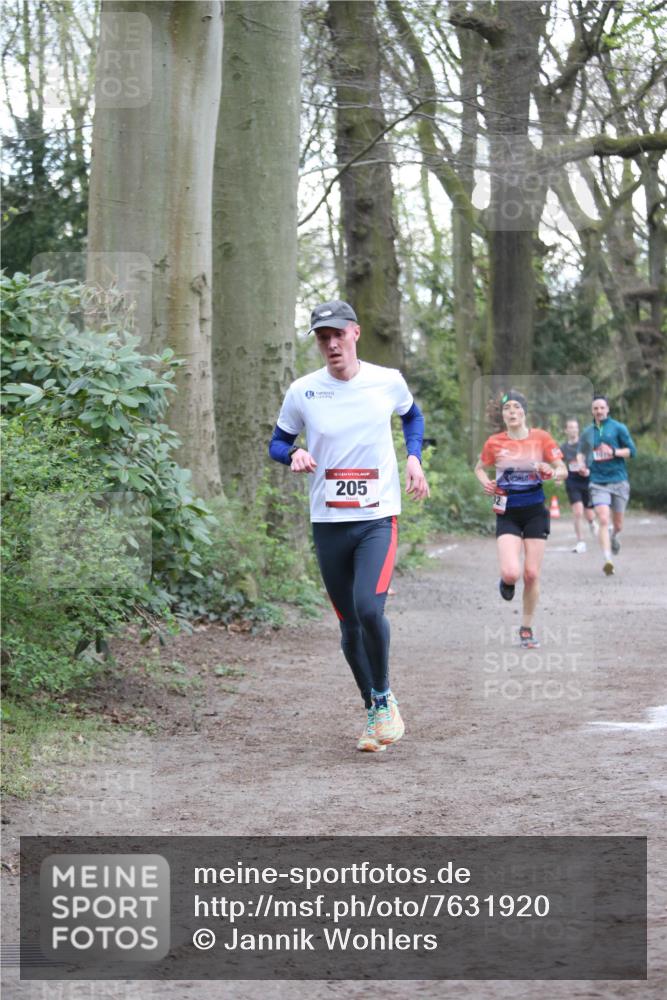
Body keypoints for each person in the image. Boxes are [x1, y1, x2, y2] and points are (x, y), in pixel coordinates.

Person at [269, 300, 429, 752]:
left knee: (368, 608)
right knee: (348, 627)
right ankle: (376, 707)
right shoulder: (303, 391)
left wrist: (413, 458)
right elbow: (278, 443)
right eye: (323, 337)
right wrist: (293, 454)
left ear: (355, 332)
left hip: (377, 517)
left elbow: (411, 415)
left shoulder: (387, 381)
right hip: (329, 521)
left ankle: (383, 697)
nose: (331, 343)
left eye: (338, 334)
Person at [475, 390, 567, 649]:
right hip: (507, 512)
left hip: (535, 510)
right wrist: (488, 483)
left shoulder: (541, 438)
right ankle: (505, 582)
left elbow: (563, 469)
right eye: (507, 409)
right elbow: (479, 469)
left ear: (524, 412)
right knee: (511, 572)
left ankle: (526, 628)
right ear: (503, 415)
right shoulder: (494, 442)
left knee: (531, 573)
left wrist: (553, 470)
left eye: (516, 407)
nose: (512, 412)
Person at [578, 395, 637, 576]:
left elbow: (631, 451)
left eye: (602, 408)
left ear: (608, 409)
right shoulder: (588, 432)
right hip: (597, 481)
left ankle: (614, 536)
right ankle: (608, 560)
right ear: (592, 411)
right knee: (603, 519)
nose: (599, 411)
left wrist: (613, 451)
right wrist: (581, 465)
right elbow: (581, 452)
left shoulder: (618, 428)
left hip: (618, 480)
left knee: (617, 524)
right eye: (595, 408)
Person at [560, 418, 598, 553]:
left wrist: (587, 470)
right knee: (578, 511)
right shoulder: (563, 448)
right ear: (566, 430)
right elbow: (559, 464)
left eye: (575, 427)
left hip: (586, 480)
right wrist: (559, 475)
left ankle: (592, 523)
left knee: (589, 512)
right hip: (572, 481)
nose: (573, 430)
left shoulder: (585, 445)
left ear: (578, 430)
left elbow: (593, 461)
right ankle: (581, 542)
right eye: (570, 427)